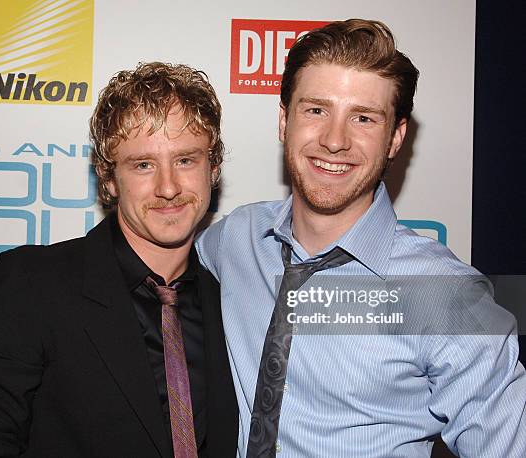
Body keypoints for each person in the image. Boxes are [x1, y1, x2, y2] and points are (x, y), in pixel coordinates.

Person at [196, 19, 526, 457]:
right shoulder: (236, 238)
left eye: (364, 118)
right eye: (316, 110)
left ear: (396, 137)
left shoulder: (446, 294)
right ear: (284, 121)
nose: (335, 140)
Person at [0, 62, 238, 457]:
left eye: (185, 160)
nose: (168, 187)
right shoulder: (33, 285)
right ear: (109, 178)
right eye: (143, 164)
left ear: (212, 168)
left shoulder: (234, 295)